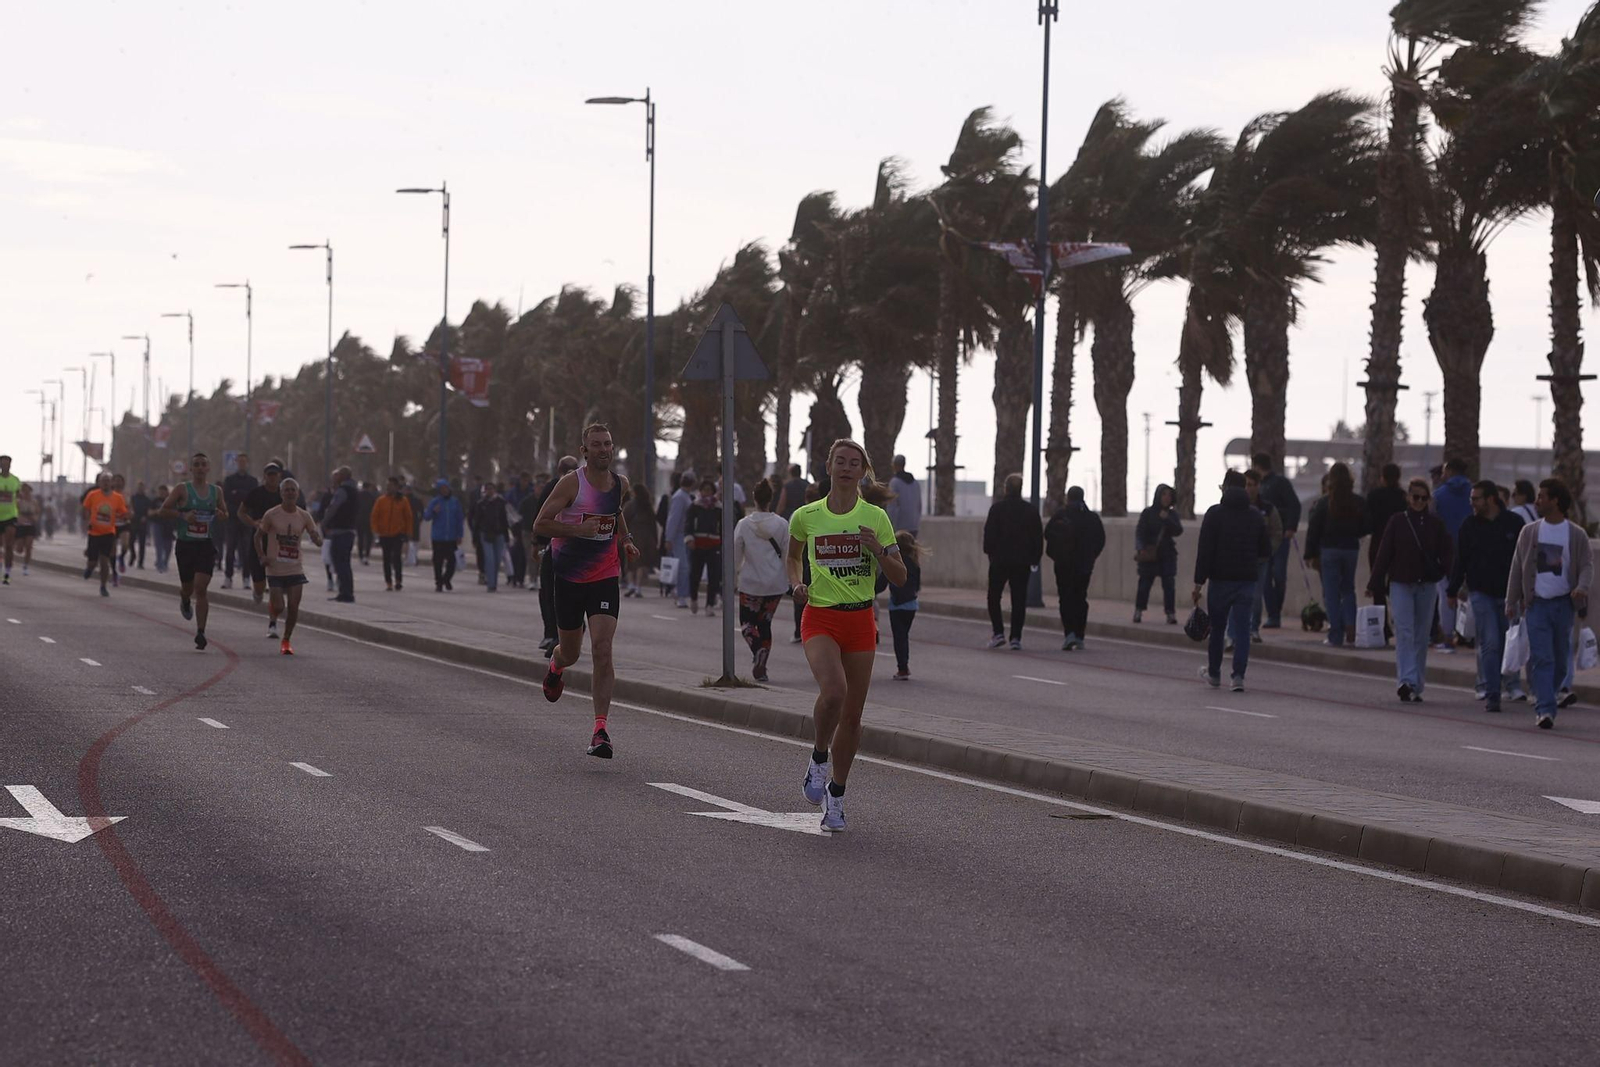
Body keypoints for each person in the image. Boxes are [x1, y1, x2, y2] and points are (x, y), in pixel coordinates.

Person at [787, 439, 906, 832]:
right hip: (820, 617)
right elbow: (793, 555)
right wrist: (796, 583)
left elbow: (901, 576)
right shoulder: (806, 515)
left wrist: (878, 549)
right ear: (828, 465)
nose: (846, 468)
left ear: (863, 471)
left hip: (860, 621)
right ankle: (818, 759)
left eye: (854, 463)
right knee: (834, 692)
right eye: (840, 461)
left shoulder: (876, 518)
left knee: (853, 719)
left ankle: (836, 795)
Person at [533, 423, 640, 759]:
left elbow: (614, 512)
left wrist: (625, 539)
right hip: (567, 577)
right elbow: (540, 524)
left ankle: (600, 730)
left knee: (603, 648)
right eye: (596, 445)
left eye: (608, 444)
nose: (603, 449)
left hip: (605, 575)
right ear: (585, 450)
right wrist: (577, 529)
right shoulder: (571, 483)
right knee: (571, 652)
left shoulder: (620, 484)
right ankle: (556, 666)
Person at [1506, 478, 1593, 729]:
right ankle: (1545, 709)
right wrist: (1512, 600)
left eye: (1542, 496)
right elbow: (1517, 567)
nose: (1537, 501)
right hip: (1537, 605)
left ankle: (1548, 693)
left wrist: (1581, 588)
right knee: (1542, 657)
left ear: (1555, 501)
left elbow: (1587, 565)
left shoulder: (1575, 534)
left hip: (1563, 605)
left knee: (1559, 661)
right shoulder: (1530, 531)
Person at [1368, 477, 1453, 703]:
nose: (1419, 502)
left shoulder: (1435, 524)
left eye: (1424, 498)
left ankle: (1417, 683)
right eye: (1415, 497)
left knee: (1421, 635)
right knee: (1405, 631)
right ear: (1408, 497)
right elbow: (1384, 552)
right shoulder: (1397, 521)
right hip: (1401, 583)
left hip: (1426, 585)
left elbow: (1447, 553)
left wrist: (1449, 578)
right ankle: (1406, 680)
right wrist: (1374, 582)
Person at [1448, 481, 1525, 713]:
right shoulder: (1469, 525)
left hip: (1509, 595)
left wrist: (1524, 592)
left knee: (1508, 643)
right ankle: (1493, 693)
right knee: (1490, 642)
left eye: (1476, 498)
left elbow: (1524, 560)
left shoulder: (1514, 523)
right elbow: (1459, 560)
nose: (1472, 503)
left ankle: (1511, 684)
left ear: (1490, 499)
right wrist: (1452, 590)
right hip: (1480, 593)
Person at [1193, 470, 1270, 692]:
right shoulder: (1255, 515)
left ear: (1225, 488)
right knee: (1243, 629)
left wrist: (1199, 583)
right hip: (1246, 580)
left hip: (1220, 581)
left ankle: (1215, 673)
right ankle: (1238, 677)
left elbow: (1204, 551)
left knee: (1218, 628)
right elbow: (1265, 549)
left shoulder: (1214, 514)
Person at [152, 454, 227, 648]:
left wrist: (220, 514)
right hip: (186, 545)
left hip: (205, 545)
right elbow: (163, 511)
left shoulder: (216, 491)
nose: (200, 468)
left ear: (208, 468)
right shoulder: (182, 489)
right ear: (191, 469)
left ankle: (201, 632)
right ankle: (185, 599)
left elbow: (225, 514)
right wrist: (182, 515)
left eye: (203, 464)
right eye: (196, 465)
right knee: (189, 588)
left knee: (201, 588)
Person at [1304, 461, 1366, 647]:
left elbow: (1313, 529)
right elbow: (1367, 524)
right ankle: (1351, 629)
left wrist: (1310, 553)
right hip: (1350, 549)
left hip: (1329, 550)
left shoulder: (1323, 502)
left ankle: (1335, 634)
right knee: (1348, 589)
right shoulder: (1357, 502)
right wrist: (1355, 533)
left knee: (1331, 592)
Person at [256, 477, 322, 655]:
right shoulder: (272, 514)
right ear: (281, 493)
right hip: (275, 568)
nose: (290, 493)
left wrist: (317, 539)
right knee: (279, 607)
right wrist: (262, 556)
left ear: (298, 494)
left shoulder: (304, 515)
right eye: (287, 490)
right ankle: (273, 613)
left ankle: (286, 640)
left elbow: (314, 534)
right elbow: (257, 536)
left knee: (293, 607)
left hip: (295, 568)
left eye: (293, 490)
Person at [733, 478, 791, 681]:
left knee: (747, 624)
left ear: (754, 498)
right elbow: (787, 554)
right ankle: (762, 667)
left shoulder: (743, 525)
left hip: (750, 583)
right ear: (771, 499)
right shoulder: (783, 524)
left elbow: (735, 554)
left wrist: (733, 578)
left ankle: (757, 650)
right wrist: (791, 579)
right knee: (765, 624)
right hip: (775, 584)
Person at [981, 473, 1043, 650]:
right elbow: (1037, 537)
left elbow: (989, 535)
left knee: (994, 596)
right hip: (1022, 562)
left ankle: (998, 632)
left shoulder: (997, 509)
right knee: (1019, 599)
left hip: (999, 560)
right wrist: (1034, 558)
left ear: (1006, 488)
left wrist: (990, 553)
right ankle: (1016, 637)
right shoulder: (1030, 510)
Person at [1044, 486, 1105, 651]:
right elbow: (1100, 540)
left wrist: (1057, 554)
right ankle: (1079, 635)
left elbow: (1047, 533)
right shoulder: (1091, 518)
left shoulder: (1061, 515)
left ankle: (1069, 633)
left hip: (1064, 564)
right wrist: (1091, 557)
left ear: (1068, 498)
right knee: (1080, 598)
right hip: (1084, 565)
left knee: (1065, 598)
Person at [1251, 453, 1302, 629]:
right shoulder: (1257, 487)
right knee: (1265, 578)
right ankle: (1273, 615)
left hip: (1280, 537)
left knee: (1279, 576)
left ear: (1257, 466)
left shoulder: (1280, 483)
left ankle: (1276, 611)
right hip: (1261, 539)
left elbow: (1294, 505)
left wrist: (1290, 528)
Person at [535, 457, 581, 650]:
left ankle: (560, 635)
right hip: (557, 547)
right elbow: (540, 519)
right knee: (550, 592)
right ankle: (554, 634)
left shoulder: (580, 487)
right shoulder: (558, 487)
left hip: (572, 549)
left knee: (558, 593)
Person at [1431, 457, 1474, 650]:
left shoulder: (1439, 495)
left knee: (1446, 592)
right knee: (1470, 593)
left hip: (1445, 550)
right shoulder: (1474, 493)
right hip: (1470, 548)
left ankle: (1447, 637)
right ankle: (1468, 635)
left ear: (1449, 471)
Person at [1364, 462, 1408, 642]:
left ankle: (1383, 627)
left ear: (1383, 477)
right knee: (1398, 585)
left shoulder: (1374, 496)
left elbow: (1367, 522)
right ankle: (1400, 623)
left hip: (1378, 543)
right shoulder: (1403, 497)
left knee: (1378, 587)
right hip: (1400, 545)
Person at [1243, 469, 1283, 644]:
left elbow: (1277, 531)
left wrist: (1269, 550)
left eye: (1252, 485)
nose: (1248, 489)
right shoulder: (1238, 507)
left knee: (1256, 596)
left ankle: (1253, 629)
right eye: (1246, 485)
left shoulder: (1267, 509)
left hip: (1260, 560)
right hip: (1240, 560)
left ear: (1258, 486)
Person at [1134, 484, 1183, 624]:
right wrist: (1141, 548)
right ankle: (1138, 610)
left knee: (1169, 584)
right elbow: (1140, 531)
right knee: (1144, 584)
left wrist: (1167, 519)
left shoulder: (1172, 514)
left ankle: (1170, 613)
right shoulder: (1148, 513)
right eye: (1164, 494)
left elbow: (1178, 531)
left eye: (1169, 495)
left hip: (1167, 554)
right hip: (1150, 554)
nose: (1167, 498)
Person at [238, 461, 286, 606]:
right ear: (265, 476)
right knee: (259, 582)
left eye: (275, 475)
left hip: (278, 542)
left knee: (275, 583)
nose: (272, 478)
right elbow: (241, 512)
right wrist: (253, 523)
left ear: (280, 476)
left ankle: (274, 612)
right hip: (258, 541)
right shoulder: (256, 493)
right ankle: (258, 591)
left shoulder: (284, 494)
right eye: (269, 475)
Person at [81, 473, 130, 597]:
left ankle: (103, 586)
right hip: (94, 533)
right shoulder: (92, 495)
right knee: (92, 561)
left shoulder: (118, 498)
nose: (106, 483)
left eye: (108, 481)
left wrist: (126, 517)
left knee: (104, 561)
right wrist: (86, 521)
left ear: (111, 483)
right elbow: (85, 509)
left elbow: (123, 512)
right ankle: (90, 568)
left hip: (108, 533)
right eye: (103, 481)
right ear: (99, 483)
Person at [684, 480, 724, 616]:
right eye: (704, 490)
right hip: (697, 545)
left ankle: (710, 605)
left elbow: (724, 527)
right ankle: (694, 598)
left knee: (714, 576)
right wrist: (689, 538)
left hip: (714, 545)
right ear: (700, 491)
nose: (707, 493)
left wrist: (723, 542)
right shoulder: (694, 507)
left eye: (709, 490)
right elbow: (688, 524)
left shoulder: (719, 508)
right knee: (695, 574)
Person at [220, 453, 258, 589]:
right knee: (230, 549)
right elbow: (227, 497)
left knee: (247, 550)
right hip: (232, 519)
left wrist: (239, 494)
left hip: (247, 519)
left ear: (247, 463)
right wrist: (241, 496)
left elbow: (253, 498)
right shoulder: (230, 480)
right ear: (236, 463)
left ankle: (246, 577)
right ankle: (228, 577)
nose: (242, 464)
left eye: (244, 461)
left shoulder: (253, 481)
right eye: (240, 461)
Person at [321, 466, 359, 603]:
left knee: (340, 562)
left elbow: (333, 508)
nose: (334, 478)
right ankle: (346, 591)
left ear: (343, 476)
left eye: (337, 475)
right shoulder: (355, 491)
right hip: (349, 530)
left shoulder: (343, 491)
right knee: (345, 562)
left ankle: (346, 593)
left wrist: (324, 523)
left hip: (340, 531)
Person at [370, 476, 414, 592]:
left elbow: (408, 517)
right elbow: (374, 516)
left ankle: (398, 581)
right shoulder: (381, 500)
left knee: (396, 558)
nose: (388, 488)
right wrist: (376, 529)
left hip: (398, 533)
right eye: (387, 485)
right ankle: (388, 582)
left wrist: (408, 532)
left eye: (391, 485)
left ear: (396, 487)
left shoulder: (403, 501)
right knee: (386, 559)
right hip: (384, 534)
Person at [423, 479, 465, 593]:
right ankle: (439, 582)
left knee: (452, 562)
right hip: (438, 537)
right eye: (442, 489)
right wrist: (433, 511)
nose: (444, 491)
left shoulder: (455, 502)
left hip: (451, 537)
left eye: (446, 488)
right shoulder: (435, 502)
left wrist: (460, 534)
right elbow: (426, 517)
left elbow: (459, 519)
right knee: (438, 561)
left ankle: (446, 579)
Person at [663, 471, 696, 609]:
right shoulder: (679, 497)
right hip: (678, 536)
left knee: (685, 566)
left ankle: (680, 592)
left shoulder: (686, 496)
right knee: (683, 567)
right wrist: (669, 538)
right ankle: (681, 595)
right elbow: (673, 519)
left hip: (685, 535)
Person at [622, 483, 659, 597]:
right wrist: (655, 539)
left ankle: (631, 584)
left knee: (629, 562)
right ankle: (638, 587)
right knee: (641, 562)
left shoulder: (629, 505)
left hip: (631, 536)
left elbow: (623, 520)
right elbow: (653, 523)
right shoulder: (647, 506)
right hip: (646, 537)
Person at [474, 481, 510, 592]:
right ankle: (491, 584)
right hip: (485, 534)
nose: (490, 491)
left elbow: (504, 520)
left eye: (491, 488)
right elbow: (477, 521)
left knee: (497, 560)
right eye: (487, 489)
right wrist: (475, 538)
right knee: (489, 559)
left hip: (499, 534)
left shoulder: (500, 502)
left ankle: (494, 581)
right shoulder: (481, 504)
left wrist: (506, 535)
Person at [884, 455, 922, 537]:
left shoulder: (894, 483)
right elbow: (919, 505)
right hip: (913, 525)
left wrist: (890, 524)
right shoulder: (915, 483)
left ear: (894, 465)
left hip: (899, 526)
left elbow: (892, 506)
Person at [110, 474, 132, 583]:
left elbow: (130, 507)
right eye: (115, 481)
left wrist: (130, 513)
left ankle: (122, 557)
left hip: (124, 523)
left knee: (125, 545)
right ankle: (114, 573)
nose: (118, 483)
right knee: (112, 550)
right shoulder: (109, 494)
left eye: (120, 481)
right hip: (112, 525)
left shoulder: (126, 494)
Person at [0, 454, 18, 584]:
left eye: (7, 463)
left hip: (11, 516)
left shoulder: (15, 480)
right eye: (3, 463)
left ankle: (7, 572)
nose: (5, 466)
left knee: (9, 545)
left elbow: (19, 496)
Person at [13, 483, 38, 576]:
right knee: (20, 549)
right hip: (21, 525)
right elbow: (14, 512)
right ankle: (16, 545)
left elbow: (37, 512)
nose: (26, 492)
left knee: (29, 547)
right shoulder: (18, 502)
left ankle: (26, 566)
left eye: (28, 490)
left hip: (30, 525)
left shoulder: (34, 501)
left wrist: (34, 518)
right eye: (24, 490)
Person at [150, 483, 175, 573]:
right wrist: (158, 511)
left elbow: (175, 512)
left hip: (168, 526)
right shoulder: (155, 501)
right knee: (159, 546)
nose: (161, 493)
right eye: (160, 492)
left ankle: (164, 562)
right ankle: (160, 565)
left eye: (163, 492)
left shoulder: (171, 501)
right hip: (157, 524)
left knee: (168, 547)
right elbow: (149, 512)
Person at [128, 480, 152, 570]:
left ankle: (140, 562)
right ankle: (133, 556)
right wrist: (131, 513)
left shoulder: (147, 500)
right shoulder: (133, 498)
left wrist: (146, 517)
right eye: (139, 487)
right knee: (131, 542)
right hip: (134, 521)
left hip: (143, 523)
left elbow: (149, 511)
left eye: (142, 487)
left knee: (142, 544)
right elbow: (130, 507)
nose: (140, 489)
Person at [355, 481, 378, 566]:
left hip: (359, 520)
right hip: (369, 520)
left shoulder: (357, 495)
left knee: (360, 538)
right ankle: (366, 555)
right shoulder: (372, 496)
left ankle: (360, 555)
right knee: (369, 538)